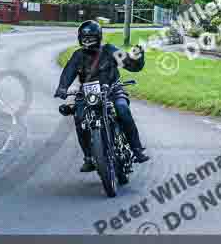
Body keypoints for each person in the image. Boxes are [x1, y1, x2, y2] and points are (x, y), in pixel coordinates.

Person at [54, 20, 150, 172]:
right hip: (88, 94)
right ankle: (88, 158)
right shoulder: (78, 55)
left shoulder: (109, 50)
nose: (87, 41)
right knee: (79, 118)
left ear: (98, 37)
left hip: (113, 90)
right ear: (79, 38)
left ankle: (137, 149)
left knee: (122, 109)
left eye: (91, 37)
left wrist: (138, 57)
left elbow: (131, 65)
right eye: (84, 38)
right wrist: (62, 88)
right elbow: (69, 71)